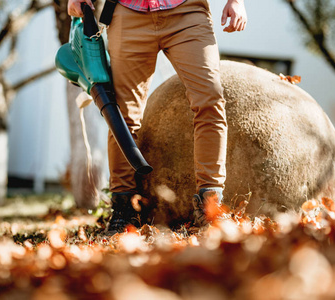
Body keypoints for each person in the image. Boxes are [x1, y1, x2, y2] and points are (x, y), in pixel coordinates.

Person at [67, 0, 247, 233]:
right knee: (122, 116)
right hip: (127, 12)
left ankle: (210, 207)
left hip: (187, 12)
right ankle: (123, 211)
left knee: (209, 101)